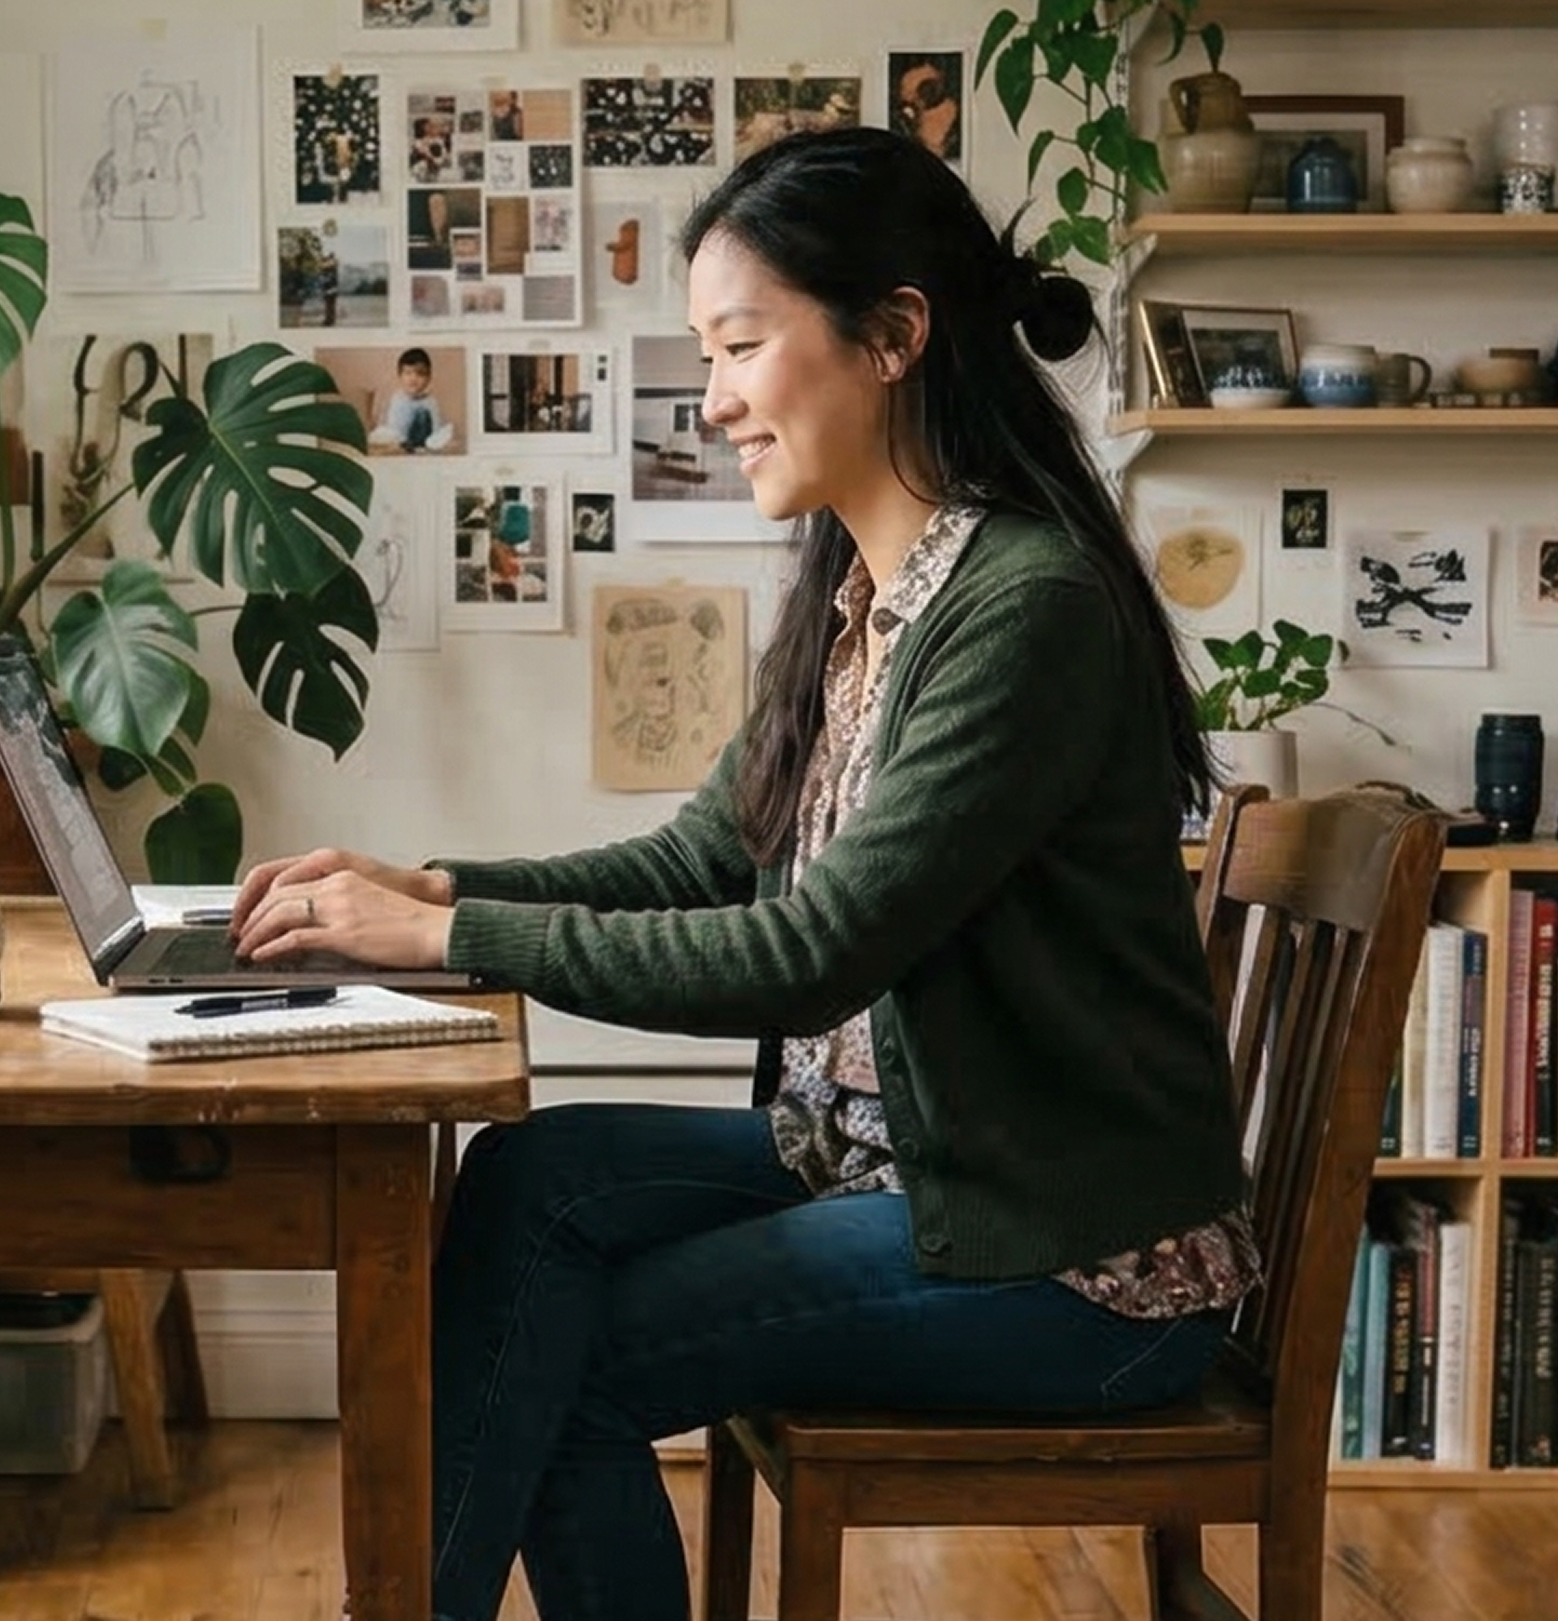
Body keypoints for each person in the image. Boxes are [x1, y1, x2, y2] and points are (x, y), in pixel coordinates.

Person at [236, 125, 1248, 1621]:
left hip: (1076, 1263)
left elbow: (810, 954)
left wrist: (449, 942)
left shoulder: (1022, 608)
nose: (712, 402)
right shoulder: (866, 586)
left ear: (893, 336)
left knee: (561, 1358)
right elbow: (713, 854)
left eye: (740, 346)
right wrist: (433, 891)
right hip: (903, 1161)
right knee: (530, 1179)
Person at [370, 348, 442, 453]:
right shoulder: (397, 399)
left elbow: (436, 427)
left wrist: (434, 441)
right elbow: (393, 426)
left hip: (422, 442)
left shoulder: (431, 402)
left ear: (429, 378)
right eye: (408, 373)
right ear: (400, 376)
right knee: (381, 435)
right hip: (399, 439)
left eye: (420, 374)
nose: (413, 378)